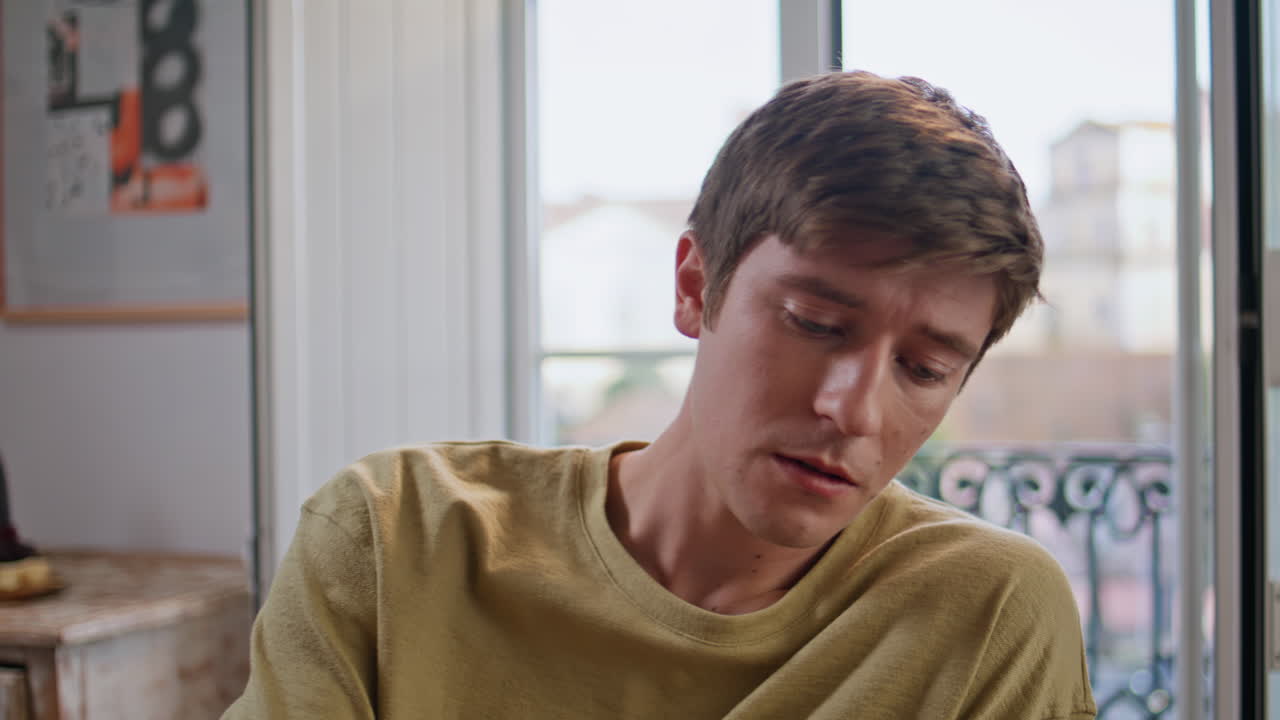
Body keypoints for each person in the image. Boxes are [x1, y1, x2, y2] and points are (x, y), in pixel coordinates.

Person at [222, 70, 1096, 720]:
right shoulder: (393, 538)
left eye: (924, 369)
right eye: (816, 323)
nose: (854, 411)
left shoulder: (988, 611)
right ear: (694, 286)